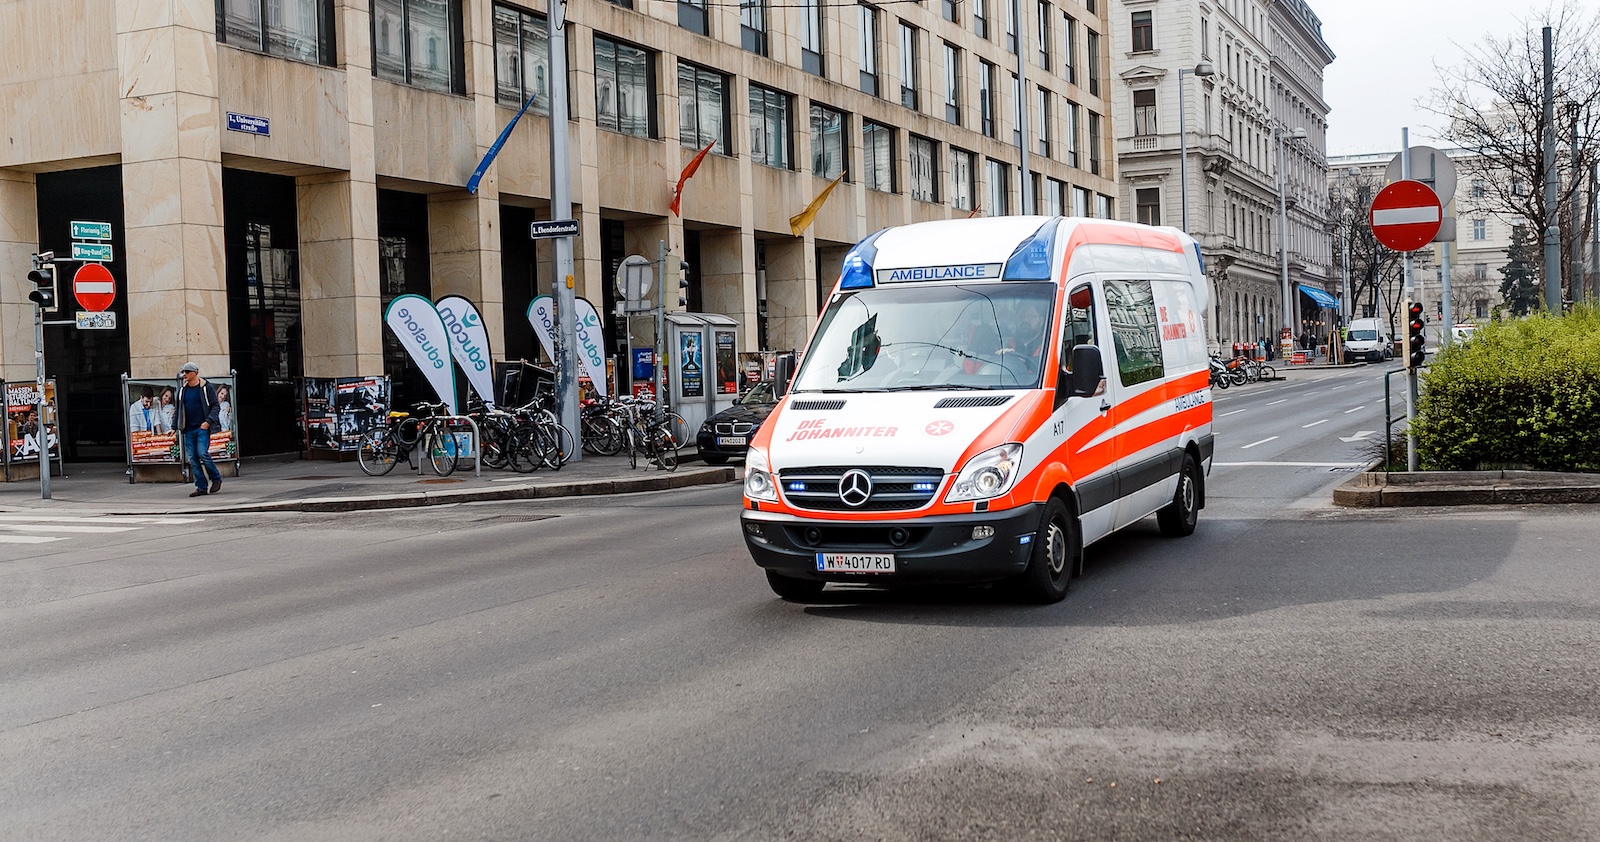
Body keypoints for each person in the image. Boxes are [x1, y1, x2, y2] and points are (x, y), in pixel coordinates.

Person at [175, 362, 223, 497]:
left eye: (187, 372)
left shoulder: (205, 387)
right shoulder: (182, 391)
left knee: (202, 453)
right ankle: (201, 486)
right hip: (188, 429)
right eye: (183, 372)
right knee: (193, 459)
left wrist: (207, 422)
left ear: (194, 373)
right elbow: (178, 411)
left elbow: (215, 406)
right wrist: (174, 427)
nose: (184, 374)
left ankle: (216, 479)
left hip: (202, 427)